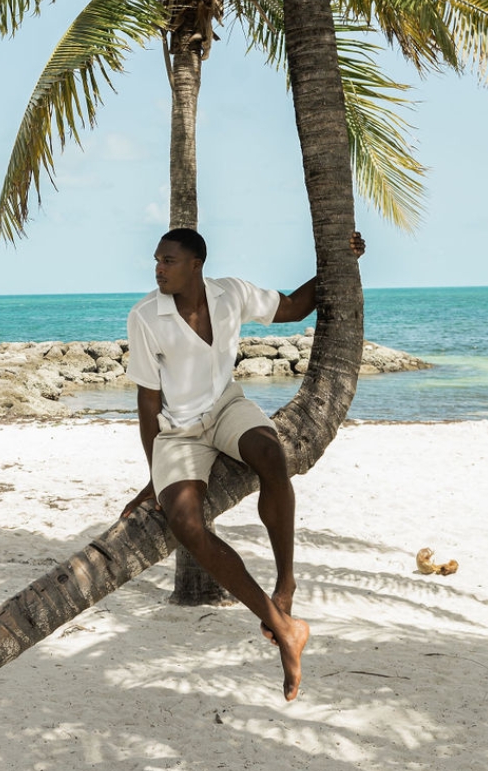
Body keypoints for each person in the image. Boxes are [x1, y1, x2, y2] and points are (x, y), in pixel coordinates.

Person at [120, 227, 365, 702]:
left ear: (196, 264)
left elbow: (294, 308)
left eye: (169, 261)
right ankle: (283, 628)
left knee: (272, 455)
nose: (158, 269)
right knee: (186, 524)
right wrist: (155, 475)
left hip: (226, 407)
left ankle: (286, 583)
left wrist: (343, 261)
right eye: (156, 261)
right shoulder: (145, 316)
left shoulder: (230, 294)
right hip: (179, 432)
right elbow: (148, 403)